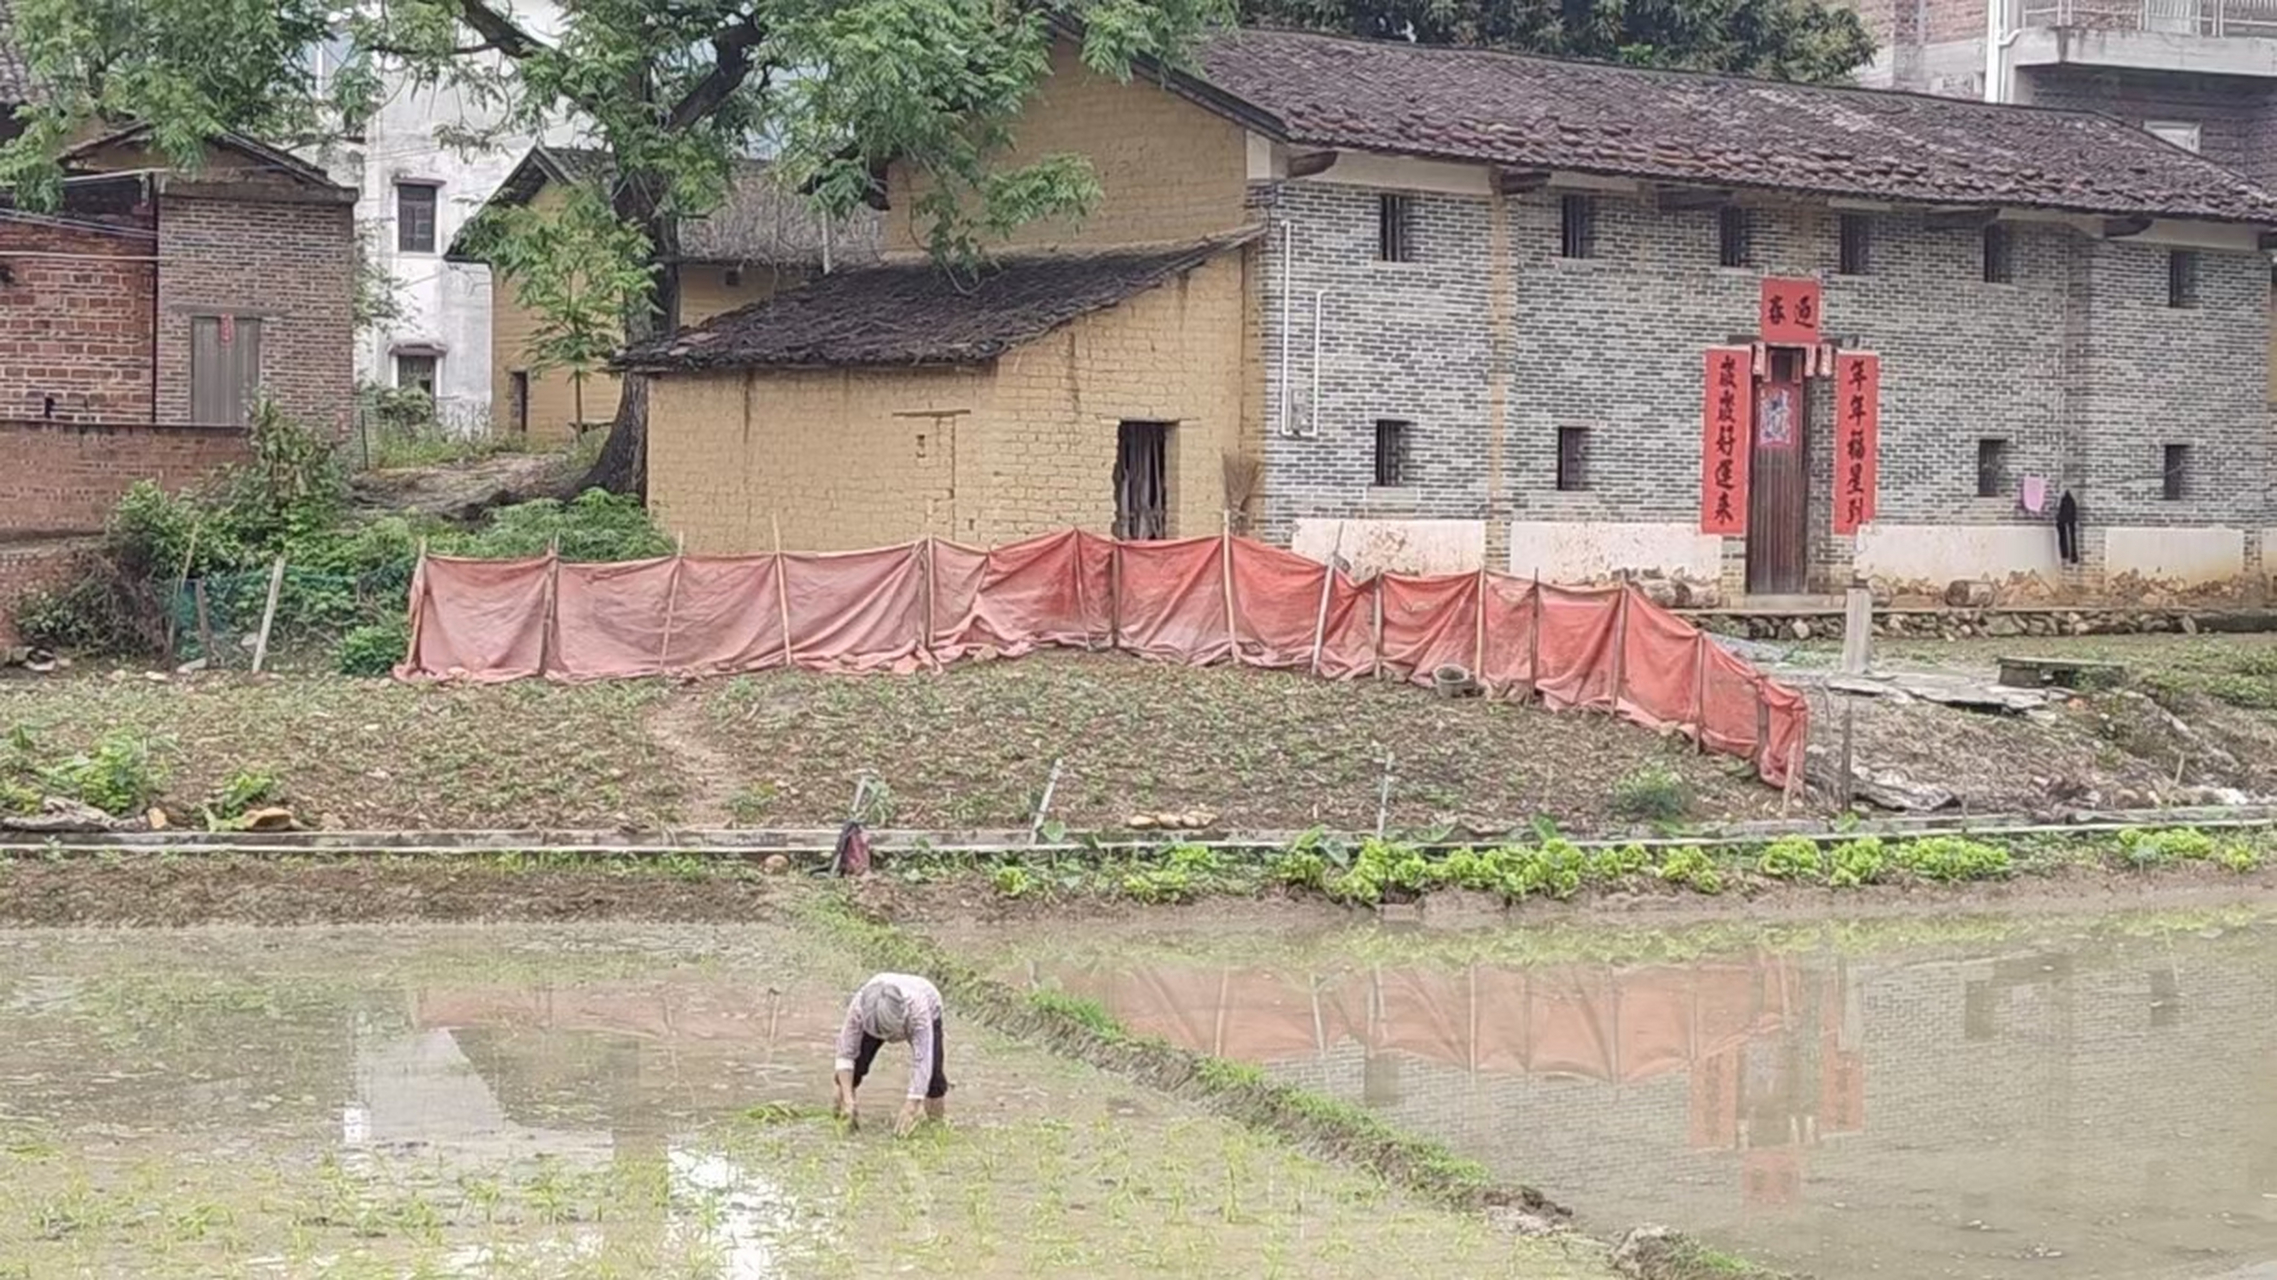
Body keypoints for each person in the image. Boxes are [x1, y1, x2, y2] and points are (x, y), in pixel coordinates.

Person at [832, 972, 949, 1135]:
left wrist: (912, 1104)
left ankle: (936, 1128)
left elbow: (923, 1061)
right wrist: (848, 1099)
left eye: (887, 1033)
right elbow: (845, 1055)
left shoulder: (918, 1011)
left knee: (934, 1079)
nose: (886, 1039)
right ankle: (842, 1120)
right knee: (854, 1069)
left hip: (926, 1001)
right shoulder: (859, 1007)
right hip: (876, 1005)